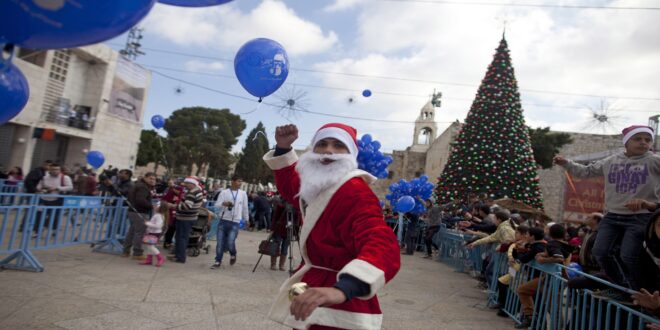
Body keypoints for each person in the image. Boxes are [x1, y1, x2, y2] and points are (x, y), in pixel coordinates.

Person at [262, 123, 400, 329]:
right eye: (322, 144)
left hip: (339, 292)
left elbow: (380, 241)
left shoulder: (355, 191)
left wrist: (344, 287)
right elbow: (292, 184)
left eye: (338, 145)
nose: (328, 150)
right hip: (314, 286)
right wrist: (283, 148)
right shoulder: (317, 184)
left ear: (350, 153)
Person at [554, 124, 659, 293]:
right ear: (626, 142)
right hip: (612, 216)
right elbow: (586, 171)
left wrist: (652, 202)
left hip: (640, 216)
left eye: (647, 140)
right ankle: (621, 287)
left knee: (628, 255)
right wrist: (566, 163)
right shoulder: (611, 161)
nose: (643, 143)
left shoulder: (654, 160)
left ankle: (638, 291)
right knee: (600, 252)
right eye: (637, 139)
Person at [515, 224, 573, 329]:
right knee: (522, 290)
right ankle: (530, 317)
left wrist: (543, 260)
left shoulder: (553, 244)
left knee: (553, 309)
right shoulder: (561, 244)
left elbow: (559, 257)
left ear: (550, 233)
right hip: (547, 278)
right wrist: (542, 254)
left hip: (554, 279)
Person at [210, 175, 249, 269]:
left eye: (241, 182)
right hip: (223, 220)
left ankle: (233, 254)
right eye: (238, 181)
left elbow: (245, 207)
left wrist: (246, 219)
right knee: (220, 242)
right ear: (232, 181)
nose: (240, 183)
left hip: (235, 222)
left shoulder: (243, 194)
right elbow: (217, 205)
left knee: (230, 242)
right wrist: (224, 204)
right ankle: (217, 261)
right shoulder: (224, 192)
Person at [168, 177, 204, 263]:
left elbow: (187, 206)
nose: (185, 185)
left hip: (186, 218)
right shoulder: (196, 191)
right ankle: (178, 255)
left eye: (186, 184)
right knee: (181, 237)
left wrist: (173, 206)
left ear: (191, 184)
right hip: (188, 218)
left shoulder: (192, 192)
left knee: (181, 238)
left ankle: (180, 257)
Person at [122, 172, 156, 260]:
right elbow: (141, 200)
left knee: (132, 231)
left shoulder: (139, 185)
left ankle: (125, 251)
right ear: (145, 178)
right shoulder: (143, 187)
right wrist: (151, 206)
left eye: (154, 179)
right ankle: (137, 253)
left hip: (133, 211)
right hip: (139, 212)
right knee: (139, 232)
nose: (152, 180)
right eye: (150, 178)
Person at [34, 163, 73, 236]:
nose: (55, 171)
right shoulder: (45, 177)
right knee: (40, 215)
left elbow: (70, 187)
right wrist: (41, 190)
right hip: (44, 199)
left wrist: (57, 188)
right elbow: (38, 187)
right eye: (53, 169)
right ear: (50, 170)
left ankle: (54, 230)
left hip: (57, 199)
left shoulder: (64, 178)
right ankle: (38, 231)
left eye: (57, 169)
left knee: (55, 216)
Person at [270, 198, 300, 271]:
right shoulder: (280, 204)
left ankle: (281, 265)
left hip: (289, 230)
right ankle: (273, 264)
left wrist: (296, 231)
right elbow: (275, 217)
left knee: (285, 247)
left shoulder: (296, 207)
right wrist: (272, 229)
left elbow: (297, 220)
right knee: (276, 245)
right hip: (279, 228)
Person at [141, 202, 166, 267]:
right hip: (152, 232)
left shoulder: (158, 216)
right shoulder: (157, 215)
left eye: (156, 206)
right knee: (149, 246)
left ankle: (160, 258)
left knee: (151, 247)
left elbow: (158, 226)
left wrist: (148, 224)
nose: (154, 207)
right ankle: (149, 259)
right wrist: (149, 223)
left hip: (154, 233)